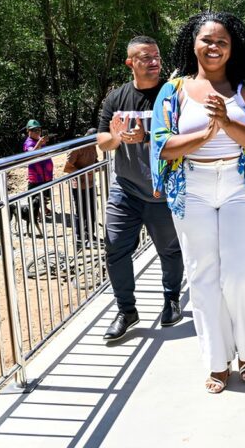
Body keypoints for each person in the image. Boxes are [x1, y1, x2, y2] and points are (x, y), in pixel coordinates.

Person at [150, 13, 245, 393]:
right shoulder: (173, 90)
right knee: (204, 278)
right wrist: (205, 135)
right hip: (194, 187)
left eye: (222, 41)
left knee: (240, 274)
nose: (214, 47)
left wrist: (228, 124)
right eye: (206, 39)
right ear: (193, 43)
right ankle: (216, 360)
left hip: (241, 185)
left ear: (232, 46)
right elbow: (161, 145)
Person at [97, 37, 186, 343]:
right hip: (126, 189)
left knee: (169, 250)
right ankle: (126, 310)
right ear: (130, 63)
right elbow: (103, 142)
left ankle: (171, 299)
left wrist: (146, 136)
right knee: (115, 247)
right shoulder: (116, 98)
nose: (153, 62)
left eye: (156, 56)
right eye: (146, 57)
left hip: (163, 189)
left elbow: (184, 133)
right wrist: (119, 137)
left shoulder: (172, 94)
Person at [63, 129, 100, 249]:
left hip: (90, 184)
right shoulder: (77, 147)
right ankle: (79, 239)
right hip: (79, 185)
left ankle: (91, 236)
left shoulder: (92, 146)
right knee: (81, 212)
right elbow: (67, 168)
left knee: (93, 210)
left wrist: (99, 166)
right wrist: (83, 173)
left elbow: (95, 161)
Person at [24, 120, 54, 220]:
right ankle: (36, 212)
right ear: (28, 131)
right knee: (34, 195)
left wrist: (42, 142)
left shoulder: (39, 140)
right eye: (34, 130)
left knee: (45, 193)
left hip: (45, 174)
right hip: (36, 175)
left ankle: (44, 208)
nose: (38, 132)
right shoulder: (28, 143)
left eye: (39, 130)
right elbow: (32, 153)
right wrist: (39, 143)